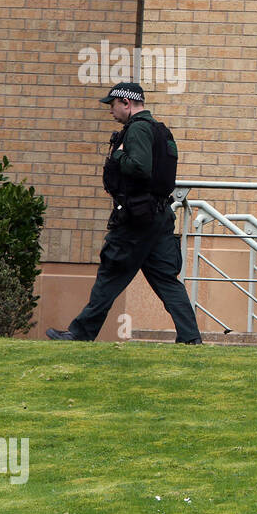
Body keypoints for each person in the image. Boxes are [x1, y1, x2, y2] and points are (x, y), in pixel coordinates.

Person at [46, 82, 202, 344]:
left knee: (111, 273)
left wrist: (118, 158)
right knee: (166, 280)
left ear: (127, 103)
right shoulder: (160, 131)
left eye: (113, 105)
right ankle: (190, 338)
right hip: (159, 216)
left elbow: (140, 168)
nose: (110, 111)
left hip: (136, 219)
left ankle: (81, 333)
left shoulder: (138, 129)